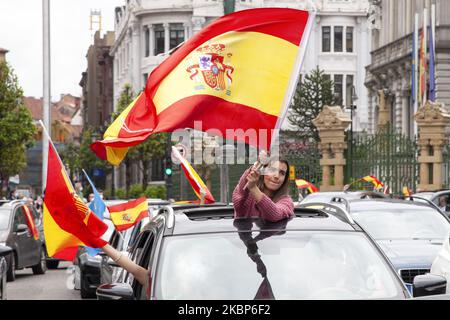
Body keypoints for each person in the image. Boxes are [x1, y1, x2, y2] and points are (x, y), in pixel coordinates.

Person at [232, 157, 294, 222]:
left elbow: (275, 214)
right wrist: (254, 168)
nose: (277, 176)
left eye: (282, 173)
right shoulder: (247, 196)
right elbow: (239, 199)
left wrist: (253, 188)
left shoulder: (287, 201)